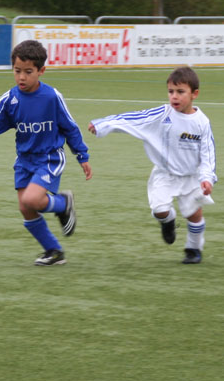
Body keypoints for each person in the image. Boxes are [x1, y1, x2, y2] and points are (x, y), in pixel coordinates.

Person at [0, 39, 92, 266]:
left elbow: (70, 127)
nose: (21, 77)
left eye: (28, 72)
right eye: (17, 71)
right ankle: (53, 251)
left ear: (41, 71)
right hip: (24, 160)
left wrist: (82, 155)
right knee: (25, 208)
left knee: (32, 199)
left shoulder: (52, 97)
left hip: (49, 157)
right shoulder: (10, 99)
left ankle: (63, 203)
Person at [88, 66, 216, 265]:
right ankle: (168, 222)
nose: (174, 96)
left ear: (194, 94)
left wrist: (207, 178)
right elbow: (134, 119)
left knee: (194, 214)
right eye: (171, 91)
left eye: (180, 92)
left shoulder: (202, 122)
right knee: (159, 210)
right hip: (164, 174)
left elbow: (208, 153)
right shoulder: (163, 114)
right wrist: (103, 124)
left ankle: (193, 248)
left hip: (191, 177)